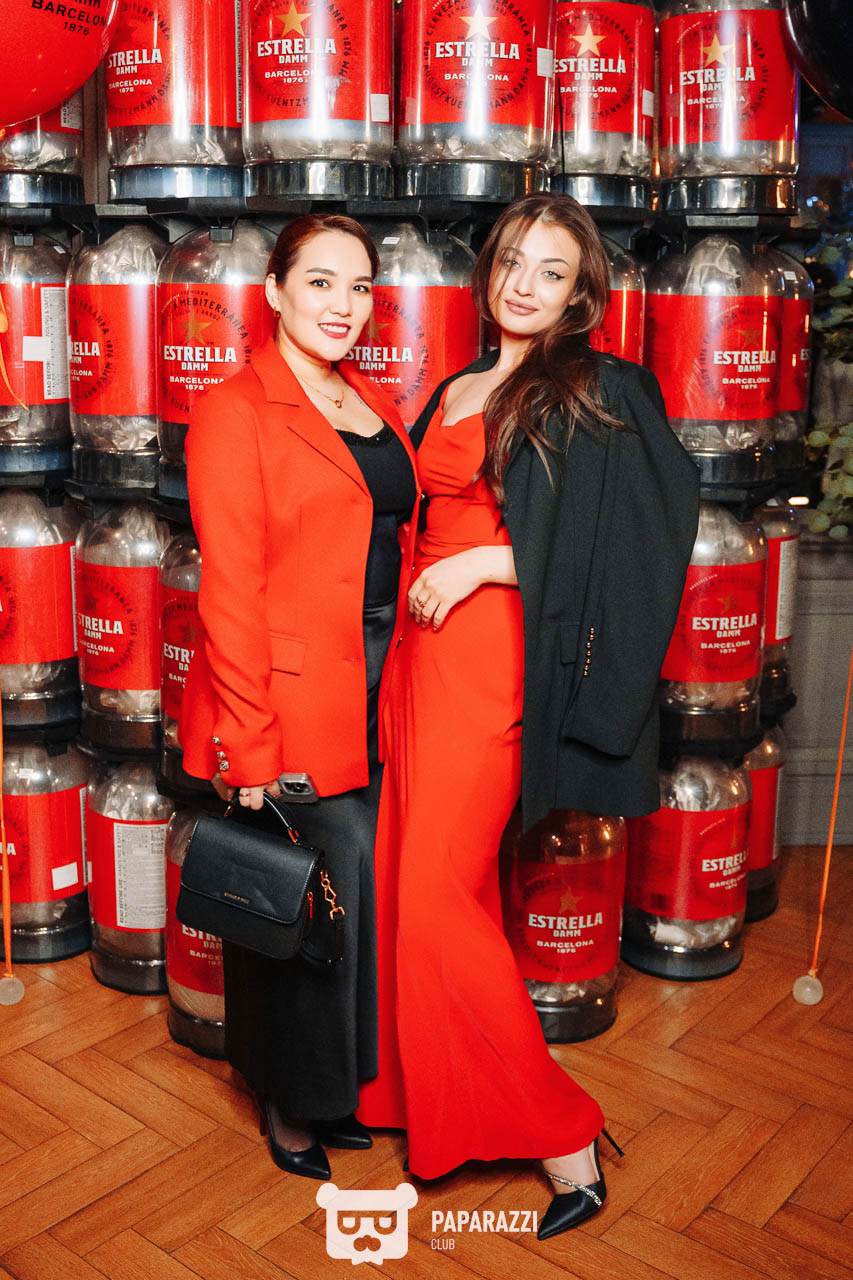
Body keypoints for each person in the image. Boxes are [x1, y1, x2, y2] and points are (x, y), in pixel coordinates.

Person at [355, 193, 700, 1239]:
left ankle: (565, 1135)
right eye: (511, 262)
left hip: (496, 662)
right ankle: (432, 1105)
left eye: (551, 271)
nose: (523, 285)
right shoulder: (457, 383)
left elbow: (637, 546)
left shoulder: (599, 389)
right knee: (415, 886)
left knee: (436, 897)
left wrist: (481, 565)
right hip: (419, 663)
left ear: (580, 293)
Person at [178, 213, 418, 1181]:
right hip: (289, 692)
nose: (343, 305)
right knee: (300, 896)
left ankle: (333, 1089)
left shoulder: (365, 398)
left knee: (354, 891)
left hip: (379, 677)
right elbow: (230, 589)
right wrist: (249, 743)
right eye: (320, 282)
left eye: (359, 287)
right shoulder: (234, 410)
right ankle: (287, 1101)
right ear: (274, 290)